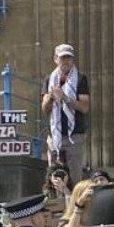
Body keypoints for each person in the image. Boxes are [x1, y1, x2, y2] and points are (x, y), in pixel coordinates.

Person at [41, 43, 91, 182]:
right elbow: (45, 108)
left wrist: (65, 98)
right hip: (55, 136)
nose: (66, 62)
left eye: (68, 58)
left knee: (74, 178)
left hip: (74, 136)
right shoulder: (49, 80)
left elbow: (84, 107)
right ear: (55, 59)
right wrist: (51, 96)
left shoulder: (80, 79)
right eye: (62, 58)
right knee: (55, 177)